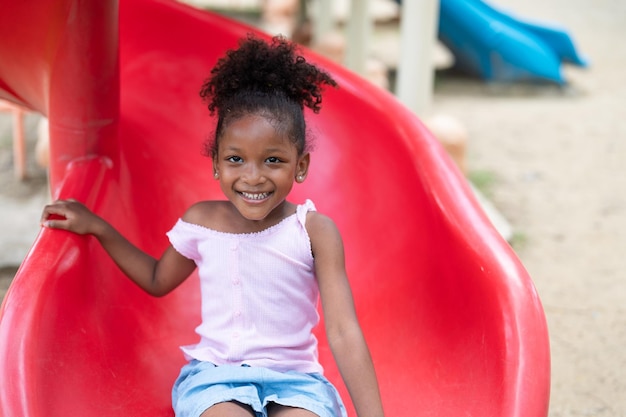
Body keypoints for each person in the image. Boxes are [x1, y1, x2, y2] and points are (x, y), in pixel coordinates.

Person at [41, 35, 384, 417]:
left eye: (273, 161)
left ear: (300, 165)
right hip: (217, 377)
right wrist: (99, 227)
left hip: (297, 381)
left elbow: (343, 332)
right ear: (216, 164)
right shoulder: (201, 222)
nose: (253, 177)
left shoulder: (313, 231)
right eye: (236, 159)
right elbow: (158, 279)